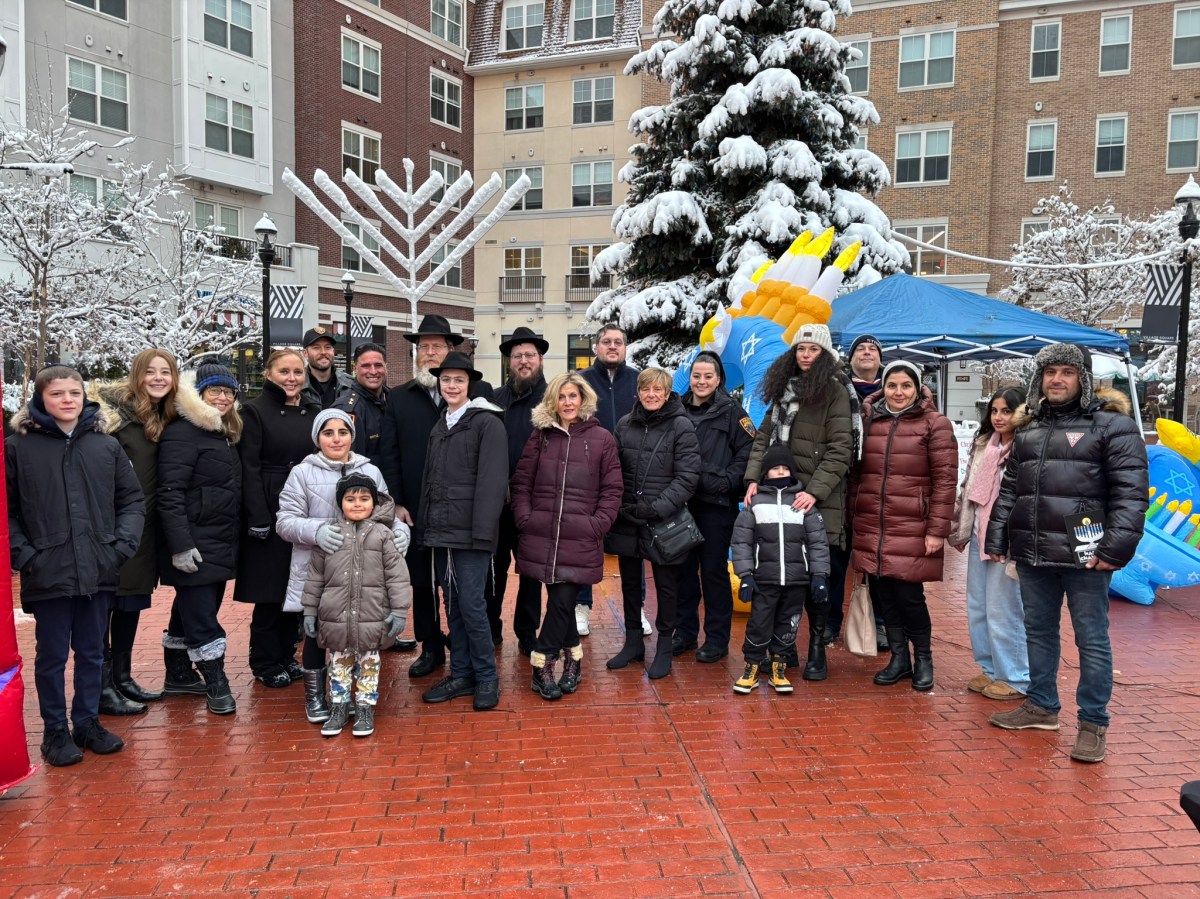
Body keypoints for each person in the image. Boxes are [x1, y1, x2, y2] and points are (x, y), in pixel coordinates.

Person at [986, 343, 1148, 764]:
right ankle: (1041, 706)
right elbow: (1011, 490)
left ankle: (1093, 724)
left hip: (1088, 556)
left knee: (1091, 640)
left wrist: (1115, 548)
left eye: (1067, 372)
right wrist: (999, 539)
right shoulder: (1030, 428)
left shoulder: (1113, 426)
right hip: (1034, 552)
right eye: (1049, 372)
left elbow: (1131, 495)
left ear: (1084, 379)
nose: (1057, 379)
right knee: (1038, 633)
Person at [7, 365, 145, 766]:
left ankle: (87, 722)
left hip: (99, 567)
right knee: (51, 657)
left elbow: (132, 501)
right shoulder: (18, 446)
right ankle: (54, 732)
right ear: (39, 399)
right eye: (57, 394)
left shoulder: (105, 445)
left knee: (92, 652)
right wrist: (27, 556)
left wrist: (119, 547)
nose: (67, 400)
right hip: (47, 570)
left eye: (74, 392)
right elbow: (8, 512)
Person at [277, 408, 410, 723]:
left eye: (343, 432)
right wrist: (316, 530)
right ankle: (315, 697)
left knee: (360, 635)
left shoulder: (370, 470)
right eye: (328, 433)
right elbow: (285, 521)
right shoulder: (302, 473)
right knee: (318, 637)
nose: (336, 439)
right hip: (320, 571)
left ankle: (357, 699)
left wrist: (401, 533)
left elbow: (386, 512)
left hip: (365, 575)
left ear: (352, 435)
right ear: (317, 438)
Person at [378, 314, 491, 679]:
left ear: (450, 350)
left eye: (437, 346)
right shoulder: (398, 397)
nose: (429, 352)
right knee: (422, 582)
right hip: (415, 507)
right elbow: (389, 455)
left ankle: (466, 644)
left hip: (460, 508)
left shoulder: (474, 395)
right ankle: (430, 646)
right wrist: (396, 501)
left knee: (461, 582)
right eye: (423, 347)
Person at [744, 324, 853, 674]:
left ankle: (817, 649)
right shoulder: (782, 391)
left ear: (825, 355)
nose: (805, 355)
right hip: (778, 496)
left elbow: (841, 449)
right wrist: (752, 480)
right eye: (801, 349)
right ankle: (784, 647)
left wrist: (813, 491)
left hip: (818, 499)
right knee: (785, 577)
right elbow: (763, 440)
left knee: (819, 576)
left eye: (813, 349)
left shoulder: (834, 392)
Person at [510, 372, 623, 700]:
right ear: (554, 402)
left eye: (573, 396)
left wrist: (597, 524)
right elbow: (522, 482)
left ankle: (541, 663)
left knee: (562, 601)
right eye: (562, 397)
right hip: (541, 534)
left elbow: (613, 489)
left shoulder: (602, 438)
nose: (568, 402)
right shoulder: (541, 436)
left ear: (584, 399)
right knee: (561, 604)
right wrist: (525, 518)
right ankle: (574, 661)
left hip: (581, 536)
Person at [850, 359, 957, 692]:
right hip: (874, 523)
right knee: (884, 595)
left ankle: (923, 658)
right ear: (884, 387)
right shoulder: (869, 421)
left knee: (909, 595)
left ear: (917, 388)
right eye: (892, 385)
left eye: (906, 385)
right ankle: (899, 659)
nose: (898, 392)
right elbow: (856, 473)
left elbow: (945, 480)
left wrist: (937, 530)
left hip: (913, 523)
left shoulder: (935, 424)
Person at [416, 351, 509, 711]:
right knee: (451, 604)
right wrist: (426, 526)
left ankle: (487, 677)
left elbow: (492, 482)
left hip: (471, 535)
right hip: (442, 532)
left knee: (472, 606)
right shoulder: (441, 424)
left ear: (469, 384)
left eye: (458, 380)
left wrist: (483, 535)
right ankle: (462, 673)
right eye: (445, 380)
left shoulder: (487, 423)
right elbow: (429, 479)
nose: (451, 385)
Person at [89, 349, 179, 715]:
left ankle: (122, 678)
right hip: (115, 527)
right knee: (106, 607)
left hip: (147, 527)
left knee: (131, 604)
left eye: (166, 372)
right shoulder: (110, 419)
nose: (158, 378)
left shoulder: (166, 417)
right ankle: (101, 685)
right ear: (136, 376)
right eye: (150, 372)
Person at [157, 363, 244, 715]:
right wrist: (180, 545)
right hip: (194, 540)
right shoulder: (183, 432)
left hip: (218, 538)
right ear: (199, 394)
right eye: (214, 391)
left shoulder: (221, 431)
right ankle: (216, 683)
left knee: (190, 609)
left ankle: (177, 674)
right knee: (202, 613)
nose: (222, 397)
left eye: (228, 392)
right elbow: (170, 492)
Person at [604, 368, 701, 680]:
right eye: (646, 389)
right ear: (639, 391)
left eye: (658, 389)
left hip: (663, 521)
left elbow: (687, 477)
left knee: (666, 586)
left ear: (668, 392)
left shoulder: (681, 425)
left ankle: (663, 647)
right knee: (630, 583)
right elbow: (613, 468)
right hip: (628, 517)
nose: (651, 395)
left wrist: (656, 509)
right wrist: (620, 503)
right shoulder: (625, 424)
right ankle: (633, 641)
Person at [234, 348, 320, 687]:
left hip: (303, 506)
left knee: (296, 587)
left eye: (297, 372)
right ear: (268, 374)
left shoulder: (313, 411)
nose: (291, 378)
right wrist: (258, 516)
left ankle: (286, 655)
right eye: (284, 371)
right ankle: (265, 661)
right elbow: (249, 467)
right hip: (270, 505)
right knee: (270, 592)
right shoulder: (254, 411)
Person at [302, 474, 411, 738]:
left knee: (369, 666)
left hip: (371, 617)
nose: (358, 504)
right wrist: (309, 610)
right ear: (341, 504)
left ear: (374, 503)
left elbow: (398, 577)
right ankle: (339, 707)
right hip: (336, 618)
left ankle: (364, 708)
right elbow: (315, 576)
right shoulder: (330, 536)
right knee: (339, 665)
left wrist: (398, 611)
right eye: (350, 499)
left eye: (364, 499)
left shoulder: (384, 536)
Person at [949, 386, 1030, 701]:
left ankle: (1016, 676)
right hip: (979, 533)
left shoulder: (1027, 447)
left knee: (1004, 608)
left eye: (1006, 411)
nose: (999, 417)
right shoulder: (985, 444)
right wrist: (958, 526)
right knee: (978, 606)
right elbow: (968, 487)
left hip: (1007, 541)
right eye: (994, 411)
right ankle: (990, 669)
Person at [674, 350, 754, 663]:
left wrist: (725, 481)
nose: (702, 381)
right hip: (681, 505)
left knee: (713, 573)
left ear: (719, 379)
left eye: (708, 376)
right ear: (690, 378)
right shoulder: (676, 409)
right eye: (697, 375)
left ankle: (717, 639)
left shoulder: (733, 411)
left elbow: (748, 453)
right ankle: (685, 632)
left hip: (716, 507)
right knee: (682, 572)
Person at [731, 445, 830, 693]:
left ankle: (779, 668)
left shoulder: (802, 502)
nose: (781, 472)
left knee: (788, 625)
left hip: (797, 580)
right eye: (775, 469)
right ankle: (752, 666)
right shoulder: (754, 503)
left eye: (785, 468)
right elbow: (741, 541)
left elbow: (817, 541)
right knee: (759, 624)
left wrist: (819, 575)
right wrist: (745, 575)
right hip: (765, 579)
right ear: (765, 473)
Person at [578, 323, 643, 637]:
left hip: (632, 476)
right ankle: (581, 606)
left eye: (618, 342)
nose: (613, 346)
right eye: (606, 341)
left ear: (626, 347)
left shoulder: (638, 381)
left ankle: (637, 607)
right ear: (596, 347)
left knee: (633, 545)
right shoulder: (581, 382)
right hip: (589, 476)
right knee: (586, 542)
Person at [490, 326, 549, 654]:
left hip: (535, 504)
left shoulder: (552, 398)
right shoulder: (496, 399)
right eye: (517, 357)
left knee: (531, 573)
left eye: (529, 355)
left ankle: (528, 632)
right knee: (495, 570)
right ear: (509, 362)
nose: (524, 362)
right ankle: (492, 627)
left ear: (540, 359)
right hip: (498, 505)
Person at [823, 334, 882, 646]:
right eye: (861, 348)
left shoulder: (896, 391)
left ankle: (880, 625)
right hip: (841, 490)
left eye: (873, 348)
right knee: (835, 562)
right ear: (852, 357)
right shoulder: (836, 390)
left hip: (877, 489)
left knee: (878, 563)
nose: (867, 352)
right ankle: (829, 623)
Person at [334, 342, 390, 465]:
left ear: (386, 367)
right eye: (366, 366)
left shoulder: (393, 399)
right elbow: (348, 462)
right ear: (355, 369)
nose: (373, 371)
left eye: (378, 365)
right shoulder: (348, 409)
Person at [299, 326, 354, 410]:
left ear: (333, 351)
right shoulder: (297, 386)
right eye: (316, 348)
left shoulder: (350, 384)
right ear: (305, 353)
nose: (323, 352)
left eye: (327, 347)